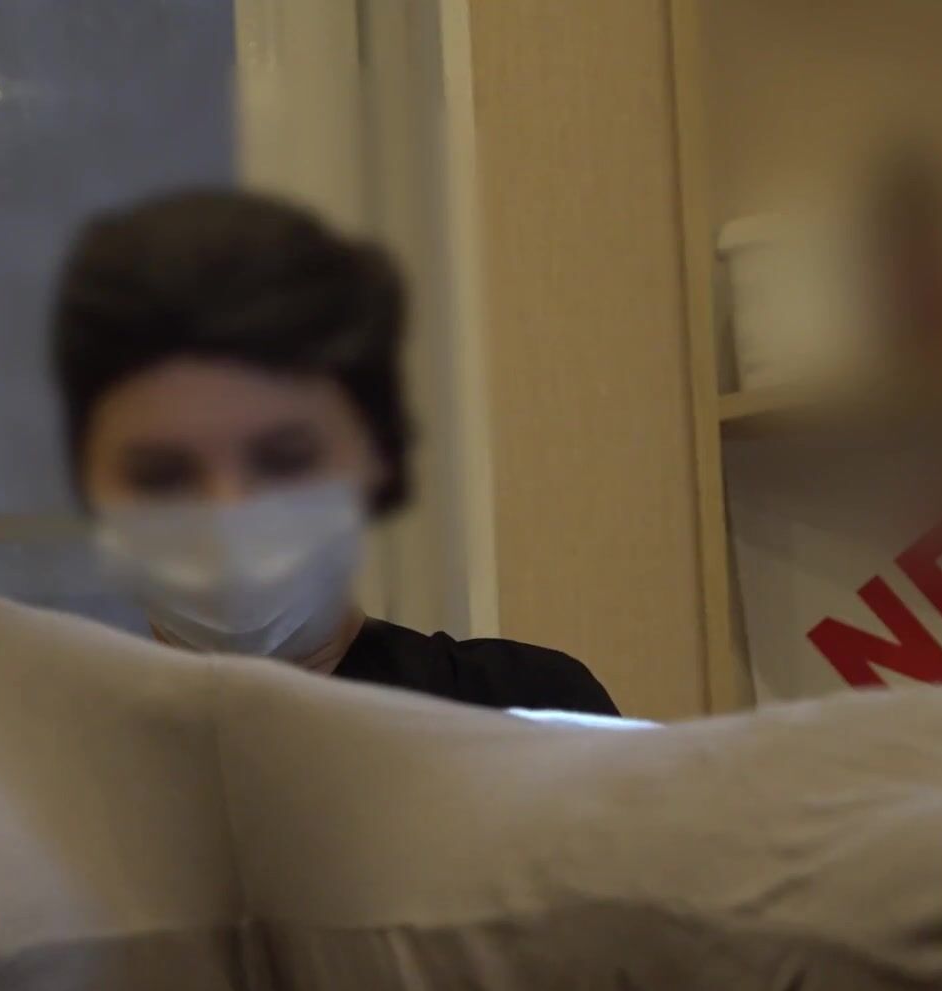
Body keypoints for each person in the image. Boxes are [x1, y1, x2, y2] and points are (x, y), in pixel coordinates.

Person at [50, 188, 619, 714]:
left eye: (284, 461)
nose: (228, 515)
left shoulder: (528, 715)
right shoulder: (34, 760)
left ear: (378, 461)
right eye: (162, 475)